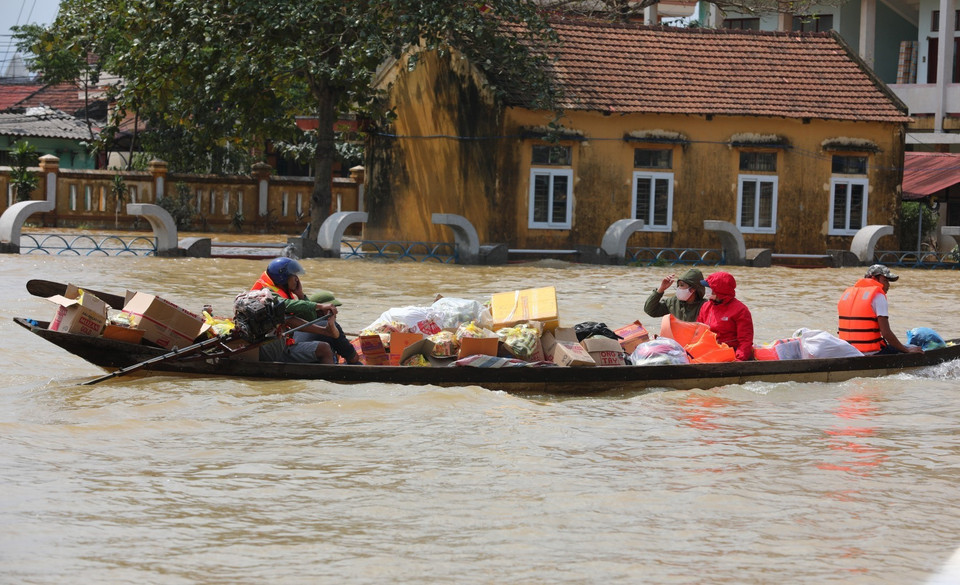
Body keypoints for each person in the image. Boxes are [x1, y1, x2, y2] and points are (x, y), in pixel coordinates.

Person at [251, 257, 360, 364]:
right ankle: (331, 379)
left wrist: (301, 295)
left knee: (323, 346)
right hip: (271, 350)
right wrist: (318, 306)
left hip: (279, 346)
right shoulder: (265, 294)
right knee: (324, 349)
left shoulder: (280, 294)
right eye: (294, 276)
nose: (297, 279)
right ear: (284, 278)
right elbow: (285, 305)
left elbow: (310, 318)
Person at [838, 264, 922, 355]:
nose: (888, 285)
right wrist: (907, 350)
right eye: (885, 280)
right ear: (874, 278)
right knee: (912, 348)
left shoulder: (847, 295)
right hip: (872, 353)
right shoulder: (878, 296)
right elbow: (886, 333)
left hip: (847, 352)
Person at [696, 271, 754, 361]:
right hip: (709, 351)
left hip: (731, 353)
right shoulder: (706, 306)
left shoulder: (741, 310)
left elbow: (745, 340)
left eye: (709, 287)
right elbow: (698, 332)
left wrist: (739, 360)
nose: (706, 289)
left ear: (719, 289)